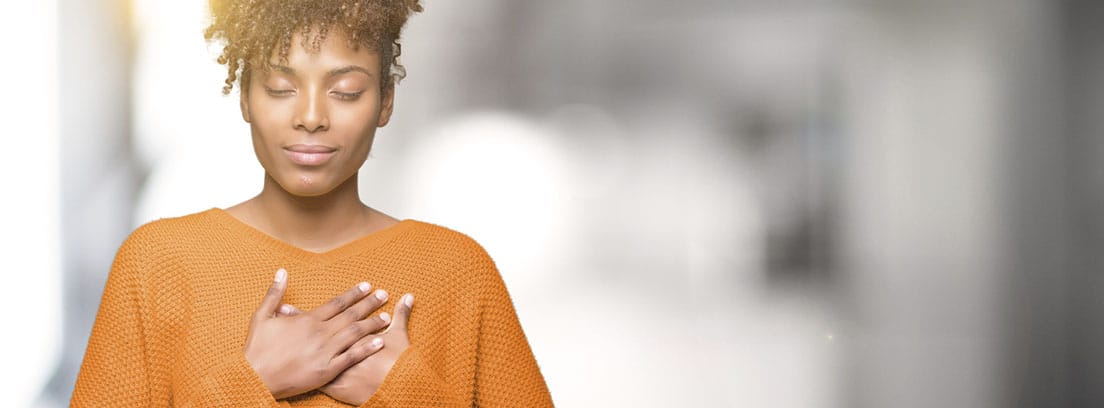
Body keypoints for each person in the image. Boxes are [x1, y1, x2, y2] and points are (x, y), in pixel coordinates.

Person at [70, 0, 553, 406]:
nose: (311, 116)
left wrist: (402, 390)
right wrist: (252, 381)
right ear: (243, 97)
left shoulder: (457, 270)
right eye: (280, 88)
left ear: (385, 102)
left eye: (346, 92)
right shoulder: (157, 262)